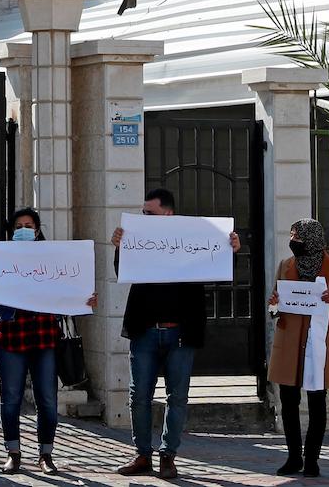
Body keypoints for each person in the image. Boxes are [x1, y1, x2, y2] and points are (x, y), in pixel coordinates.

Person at [111, 188, 241, 480]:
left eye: (150, 213)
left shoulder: (192, 235)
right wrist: (120, 246)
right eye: (142, 212)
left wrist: (231, 250)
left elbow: (220, 269)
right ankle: (142, 455)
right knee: (139, 396)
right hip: (144, 331)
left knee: (177, 396)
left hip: (181, 333)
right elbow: (123, 270)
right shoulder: (138, 237)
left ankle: (168, 456)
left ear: (168, 214)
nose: (143, 218)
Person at [0, 207, 97, 475]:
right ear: (11, 231)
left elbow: (69, 288)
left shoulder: (53, 257)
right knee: (10, 398)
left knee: (47, 399)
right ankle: (13, 452)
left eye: (29, 225)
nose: (24, 230)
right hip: (11, 335)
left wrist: (83, 299)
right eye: (19, 225)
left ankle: (46, 454)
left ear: (37, 230)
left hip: (44, 335)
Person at [267, 218, 329, 479]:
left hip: (317, 344)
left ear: (312, 239)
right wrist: (274, 304)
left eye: (297, 237)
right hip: (288, 344)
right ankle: (293, 458)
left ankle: (312, 459)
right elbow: (274, 306)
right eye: (292, 236)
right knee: (288, 402)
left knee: (317, 402)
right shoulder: (285, 265)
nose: (293, 241)